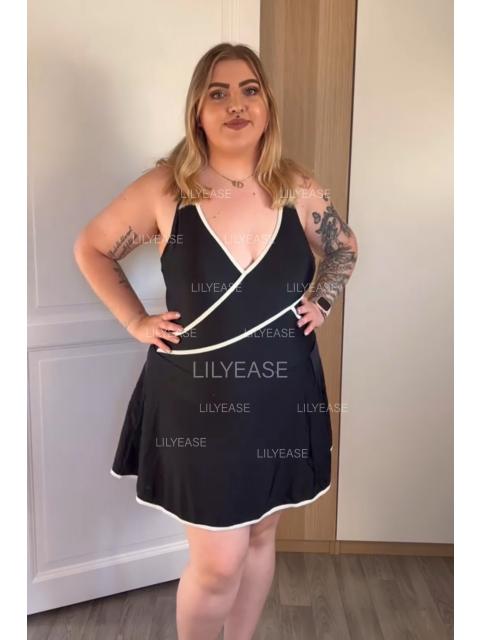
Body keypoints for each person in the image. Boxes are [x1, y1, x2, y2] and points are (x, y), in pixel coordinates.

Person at [74, 42, 358, 640]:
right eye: (218, 93)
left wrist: (323, 300)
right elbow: (93, 247)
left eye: (250, 90)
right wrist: (136, 321)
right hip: (196, 403)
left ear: (267, 105)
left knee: (259, 536)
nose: (236, 105)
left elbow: (343, 246)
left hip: (282, 394)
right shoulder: (166, 188)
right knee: (219, 562)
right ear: (197, 110)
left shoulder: (297, 187)